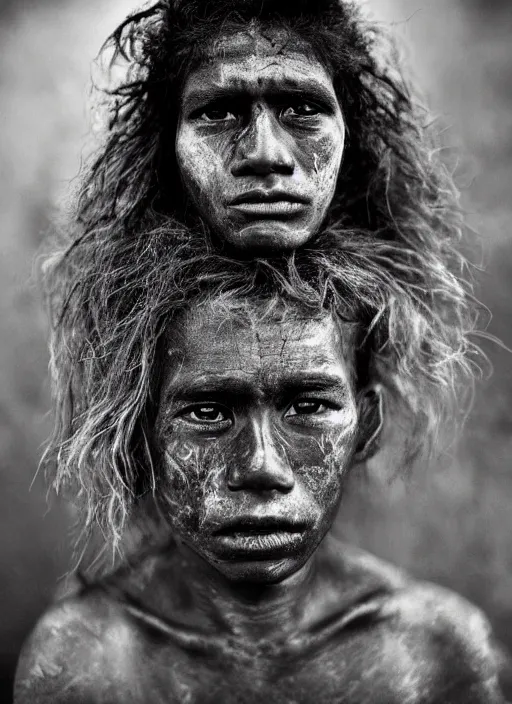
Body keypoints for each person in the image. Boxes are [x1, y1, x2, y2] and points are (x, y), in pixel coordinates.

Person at [14, 246, 507, 703]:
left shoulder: (436, 656)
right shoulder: (87, 664)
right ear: (141, 431)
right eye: (208, 413)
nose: (260, 467)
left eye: (309, 406)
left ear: (367, 426)